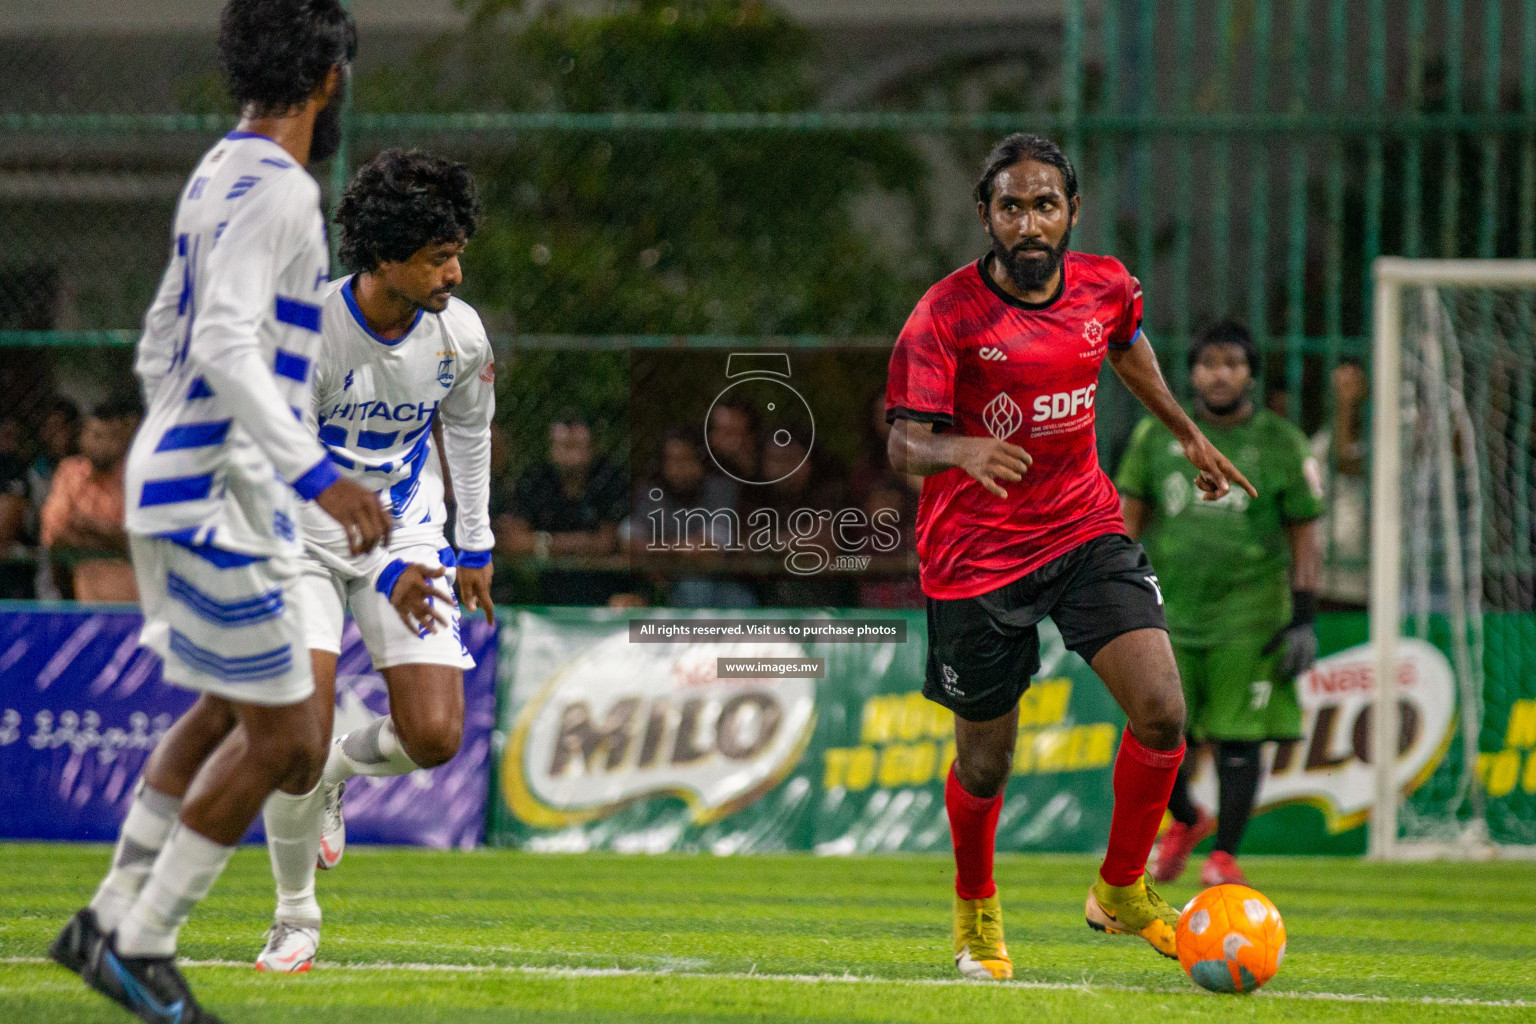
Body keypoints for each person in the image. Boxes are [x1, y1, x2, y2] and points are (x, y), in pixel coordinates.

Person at [47, 4, 388, 1021]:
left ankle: (103, 920)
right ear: (329, 76)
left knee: (221, 713)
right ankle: (140, 948)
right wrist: (311, 470)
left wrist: (177, 444)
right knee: (291, 740)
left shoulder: (215, 171)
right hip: (217, 499)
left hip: (192, 483)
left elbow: (162, 339)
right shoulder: (283, 189)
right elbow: (228, 346)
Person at [885, 133, 1254, 981]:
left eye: (1044, 204)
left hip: (1082, 529)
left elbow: (1123, 341)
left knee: (1163, 710)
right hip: (976, 558)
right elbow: (905, 445)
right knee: (987, 760)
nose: (1028, 221)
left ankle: (1121, 889)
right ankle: (976, 908)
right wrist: (961, 451)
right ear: (986, 216)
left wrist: (1186, 431)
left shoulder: (1104, 283)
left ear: (1071, 212)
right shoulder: (944, 315)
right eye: (1010, 206)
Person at [255, 147, 495, 973]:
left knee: (434, 737)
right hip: (299, 538)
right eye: (438, 257)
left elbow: (467, 430)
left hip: (406, 530)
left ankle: (336, 773)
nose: (455, 273)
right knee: (293, 736)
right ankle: (294, 919)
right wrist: (383, 569)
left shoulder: (458, 335)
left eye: (458, 251)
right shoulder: (309, 333)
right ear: (384, 257)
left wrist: (475, 542)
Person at [1119, 320, 1324, 888]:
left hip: (1250, 614)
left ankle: (1225, 857)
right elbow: (1125, 523)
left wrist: (1304, 618)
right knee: (1157, 731)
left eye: (1232, 363)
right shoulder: (1154, 438)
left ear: (1252, 374)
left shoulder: (1282, 442)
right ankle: (1187, 819)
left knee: (1238, 738)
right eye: (1208, 362)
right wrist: (1118, 596)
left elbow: (1306, 534)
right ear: (1190, 373)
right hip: (1166, 613)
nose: (1219, 374)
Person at [502, 410, 627, 603]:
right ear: (551, 448)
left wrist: (543, 543)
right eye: (563, 446)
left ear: (592, 447)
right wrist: (582, 543)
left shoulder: (608, 478)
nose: (570, 454)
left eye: (577, 446)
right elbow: (514, 542)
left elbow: (607, 543)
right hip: (543, 587)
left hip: (602, 585)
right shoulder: (535, 478)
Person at [39, 398, 142, 602]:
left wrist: (90, 526)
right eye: (93, 435)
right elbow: (54, 534)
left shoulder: (137, 476)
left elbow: (140, 544)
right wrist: (114, 537)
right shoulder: (69, 472)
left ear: (124, 438)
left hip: (134, 601)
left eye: (108, 437)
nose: (99, 444)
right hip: (80, 598)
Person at [1310, 359, 1368, 609]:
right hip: (1327, 578)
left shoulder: (1385, 438)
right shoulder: (1319, 442)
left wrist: (1347, 405)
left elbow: (1350, 462)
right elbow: (1340, 459)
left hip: (1367, 579)